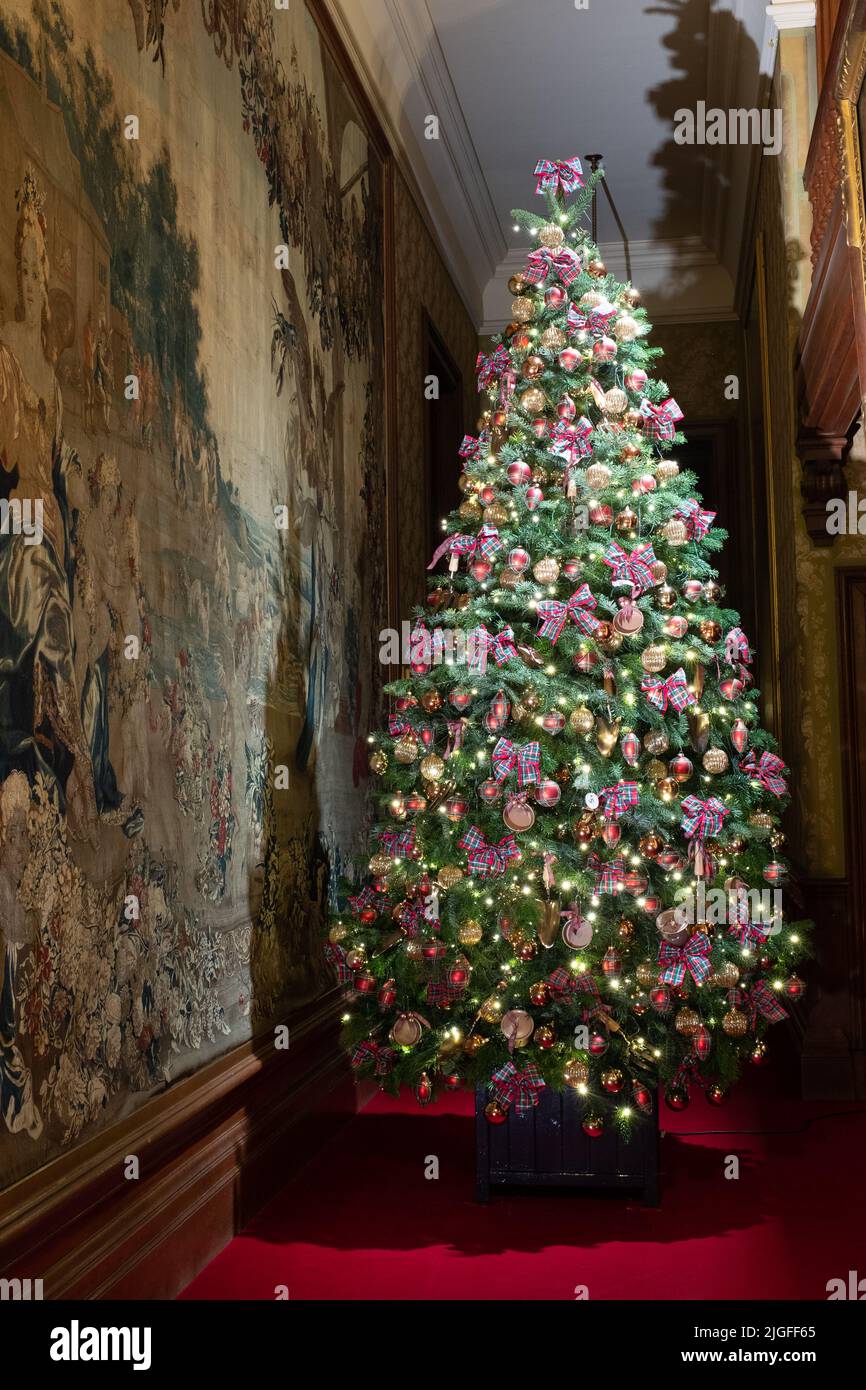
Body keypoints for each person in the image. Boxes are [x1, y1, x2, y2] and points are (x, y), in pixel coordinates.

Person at [0, 168, 99, 843]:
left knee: (63, 582)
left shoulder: (54, 377)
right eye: (25, 264)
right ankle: (31, 707)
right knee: (35, 560)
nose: (32, 275)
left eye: (40, 265)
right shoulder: (6, 349)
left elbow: (61, 471)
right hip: (12, 520)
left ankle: (55, 714)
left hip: (47, 522)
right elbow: (8, 460)